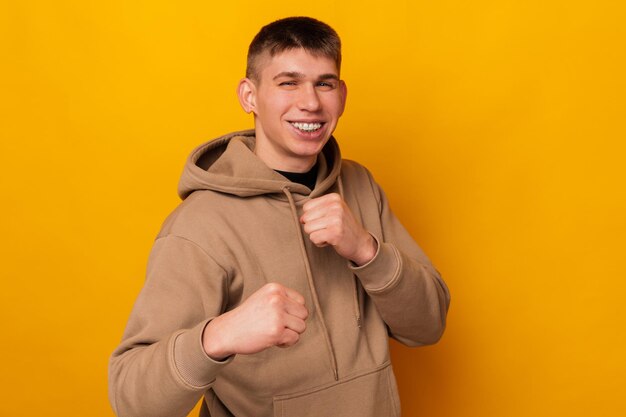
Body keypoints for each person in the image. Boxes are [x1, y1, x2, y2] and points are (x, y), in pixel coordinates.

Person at [108, 16, 450, 417]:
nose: (310, 102)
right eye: (288, 83)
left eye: (324, 83)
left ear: (342, 95)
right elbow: (132, 401)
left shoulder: (358, 186)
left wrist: (365, 250)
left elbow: (428, 327)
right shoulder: (199, 226)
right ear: (249, 96)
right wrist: (218, 336)